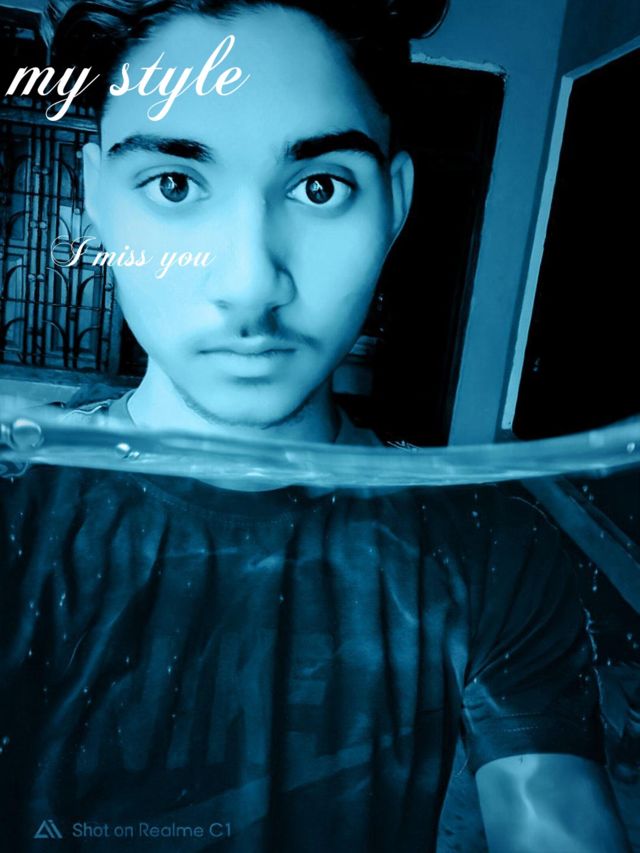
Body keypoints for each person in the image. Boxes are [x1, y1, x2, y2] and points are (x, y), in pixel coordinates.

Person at [0, 1, 631, 850]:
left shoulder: (488, 547)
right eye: (175, 184)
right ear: (95, 198)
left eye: (320, 187)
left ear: (395, 203)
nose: (251, 280)